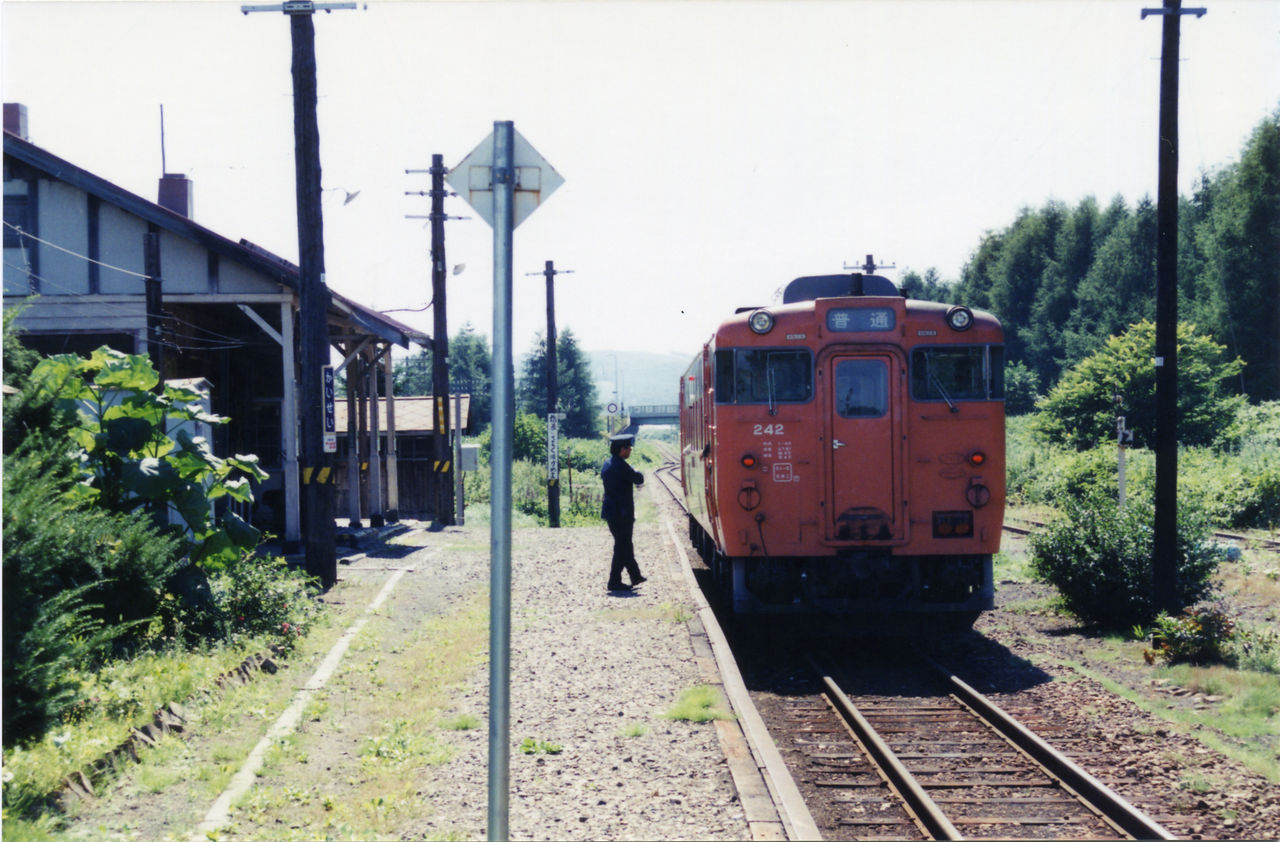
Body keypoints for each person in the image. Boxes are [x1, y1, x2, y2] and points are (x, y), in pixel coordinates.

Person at [601, 432, 647, 592]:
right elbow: (638, 479)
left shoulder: (608, 463)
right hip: (622, 513)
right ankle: (614, 582)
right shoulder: (621, 466)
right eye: (629, 448)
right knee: (622, 546)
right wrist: (637, 471)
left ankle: (635, 575)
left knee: (624, 545)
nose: (630, 451)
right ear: (622, 449)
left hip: (612, 511)